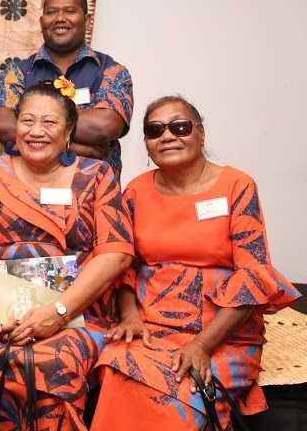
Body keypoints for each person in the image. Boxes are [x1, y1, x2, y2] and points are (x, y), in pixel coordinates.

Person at [92, 96, 301, 431]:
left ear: (200, 134)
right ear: (146, 144)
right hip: (152, 323)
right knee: (118, 367)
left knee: (180, 387)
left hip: (220, 331)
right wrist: (130, 315)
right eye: (154, 130)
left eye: (180, 126)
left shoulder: (237, 185)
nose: (167, 136)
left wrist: (202, 345)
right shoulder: (135, 191)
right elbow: (125, 264)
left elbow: (253, 275)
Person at [0, 79, 135, 430]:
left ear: (68, 133)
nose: (36, 132)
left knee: (51, 365)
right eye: (27, 121)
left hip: (76, 311)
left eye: (49, 123)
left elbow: (116, 253)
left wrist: (57, 312)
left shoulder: (97, 176)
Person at [0, 0, 132, 176]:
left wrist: (38, 136)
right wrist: (70, 148)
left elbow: (104, 127)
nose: (60, 18)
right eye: (51, 12)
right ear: (41, 21)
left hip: (91, 191)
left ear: (86, 19)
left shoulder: (111, 71)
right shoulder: (18, 71)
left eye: (70, 11)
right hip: (27, 192)